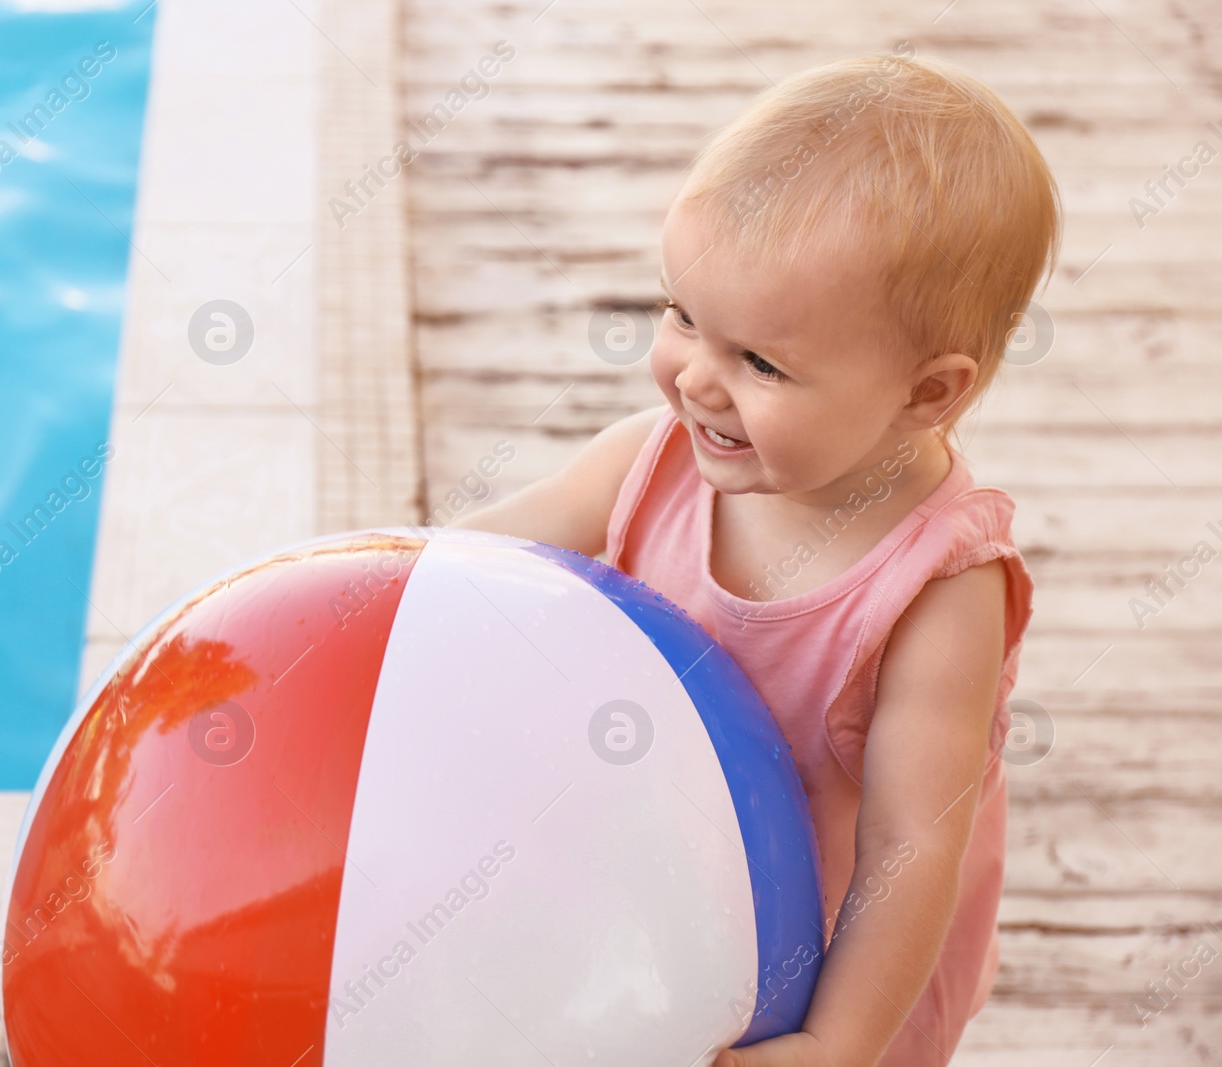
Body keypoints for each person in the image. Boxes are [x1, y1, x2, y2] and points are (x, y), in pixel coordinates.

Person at [453, 50, 1059, 1066]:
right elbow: (464, 563)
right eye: (684, 316)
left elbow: (909, 854)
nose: (695, 378)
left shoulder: (937, 593)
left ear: (926, 395)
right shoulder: (647, 464)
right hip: (664, 891)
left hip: (837, 967)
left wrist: (836, 1040)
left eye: (762, 362)